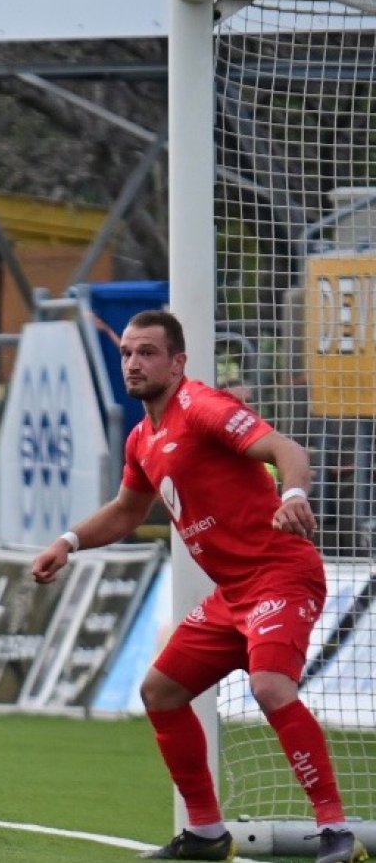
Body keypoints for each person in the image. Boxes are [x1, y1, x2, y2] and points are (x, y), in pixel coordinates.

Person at [31, 310, 367, 863]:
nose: (134, 363)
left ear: (178, 361)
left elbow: (289, 451)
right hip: (233, 594)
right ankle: (208, 833)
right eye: (127, 353)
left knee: (270, 686)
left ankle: (337, 832)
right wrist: (67, 541)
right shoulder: (142, 437)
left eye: (148, 353)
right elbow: (125, 512)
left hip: (281, 574)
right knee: (160, 692)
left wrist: (292, 496)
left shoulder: (204, 409)